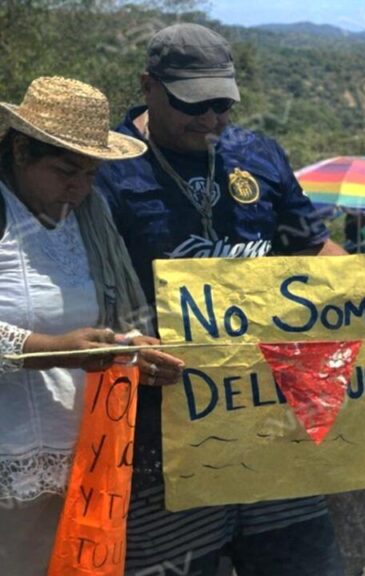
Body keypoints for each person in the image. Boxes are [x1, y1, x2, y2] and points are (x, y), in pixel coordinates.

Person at [93, 24, 349, 575]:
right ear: (148, 86)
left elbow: (312, 244)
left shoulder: (259, 154)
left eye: (222, 104)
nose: (211, 119)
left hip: (270, 422)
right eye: (194, 104)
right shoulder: (108, 168)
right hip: (162, 441)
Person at [0, 76, 182, 574]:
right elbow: (63, 342)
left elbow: (106, 318)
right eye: (65, 170)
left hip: (82, 464)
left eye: (90, 174)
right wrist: (52, 348)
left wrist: (132, 349)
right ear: (19, 151)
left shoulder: (89, 217)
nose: (79, 187)